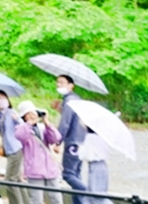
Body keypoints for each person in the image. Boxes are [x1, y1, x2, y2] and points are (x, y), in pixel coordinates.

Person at [14, 100, 63, 204]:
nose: (32, 116)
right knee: (36, 200)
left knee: (56, 198)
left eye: (34, 112)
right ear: (24, 117)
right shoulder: (22, 128)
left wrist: (47, 122)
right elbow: (20, 135)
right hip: (34, 170)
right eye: (29, 114)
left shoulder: (42, 127)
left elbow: (56, 138)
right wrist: (29, 123)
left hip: (49, 168)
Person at [0, 90, 26, 204]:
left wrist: (18, 120)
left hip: (16, 148)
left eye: (3, 97)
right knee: (17, 179)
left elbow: (23, 127)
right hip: (8, 150)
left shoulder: (12, 113)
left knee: (10, 180)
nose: (1, 100)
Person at [55, 75, 88, 204]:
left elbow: (65, 124)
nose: (59, 85)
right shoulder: (77, 100)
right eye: (57, 82)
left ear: (71, 85)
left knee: (68, 174)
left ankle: (90, 193)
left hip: (73, 143)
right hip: (81, 141)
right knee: (76, 174)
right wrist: (59, 109)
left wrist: (57, 141)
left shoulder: (69, 101)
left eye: (62, 83)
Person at [78, 128, 110, 204]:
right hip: (103, 166)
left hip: (95, 166)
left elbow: (83, 154)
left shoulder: (90, 137)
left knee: (96, 195)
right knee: (92, 194)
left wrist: (80, 148)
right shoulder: (103, 137)